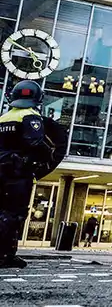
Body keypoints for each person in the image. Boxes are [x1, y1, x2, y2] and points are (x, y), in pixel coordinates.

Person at [0, 80, 52, 268]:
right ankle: (4, 254)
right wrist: (47, 155)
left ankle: (7, 255)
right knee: (13, 213)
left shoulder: (4, 117)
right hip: (17, 171)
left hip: (2, 168)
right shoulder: (30, 116)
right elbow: (35, 143)